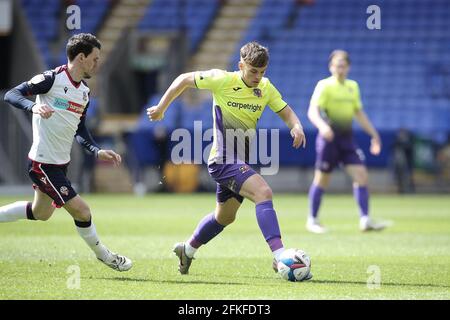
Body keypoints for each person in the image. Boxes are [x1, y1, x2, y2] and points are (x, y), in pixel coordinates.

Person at [147, 41, 311, 278]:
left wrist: (296, 126)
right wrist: (162, 108)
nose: (258, 77)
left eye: (262, 72)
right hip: (222, 159)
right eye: (253, 71)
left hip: (239, 161)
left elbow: (285, 111)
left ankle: (188, 249)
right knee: (263, 193)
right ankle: (280, 256)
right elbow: (183, 79)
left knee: (224, 217)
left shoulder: (265, 88)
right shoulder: (222, 79)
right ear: (240, 65)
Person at [1, 33, 132, 271]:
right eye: (94, 58)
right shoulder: (51, 79)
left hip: (60, 163)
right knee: (82, 211)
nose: (97, 63)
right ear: (81, 57)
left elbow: (79, 128)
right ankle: (104, 255)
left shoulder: (84, 92)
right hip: (43, 164)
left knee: (40, 213)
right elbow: (12, 94)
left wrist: (96, 150)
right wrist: (34, 106)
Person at [306, 50, 388, 233]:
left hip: (347, 139)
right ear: (330, 67)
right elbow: (312, 111)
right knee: (322, 179)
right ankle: (312, 220)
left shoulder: (353, 87)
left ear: (348, 67)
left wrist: (374, 134)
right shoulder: (324, 85)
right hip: (329, 140)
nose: (340, 68)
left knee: (361, 176)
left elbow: (358, 113)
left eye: (343, 65)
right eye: (336, 65)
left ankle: (365, 219)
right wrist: (322, 126)